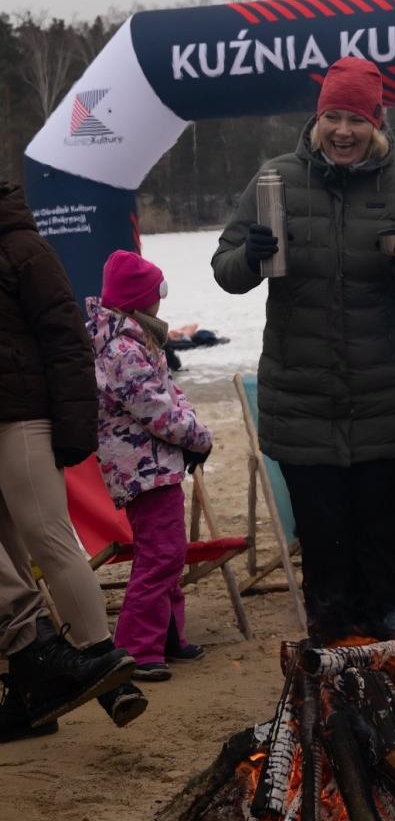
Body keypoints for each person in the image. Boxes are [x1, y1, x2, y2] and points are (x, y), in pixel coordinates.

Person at [212, 56, 395, 646]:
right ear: (318, 120)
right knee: (324, 551)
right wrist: (251, 255)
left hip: (382, 399)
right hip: (303, 400)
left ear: (376, 124)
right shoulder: (275, 178)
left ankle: (392, 669)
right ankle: (331, 681)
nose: (344, 131)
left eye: (357, 120)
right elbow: (226, 271)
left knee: (379, 551)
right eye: (333, 117)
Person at [0, 181, 142, 741]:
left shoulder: (25, 250)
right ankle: (34, 693)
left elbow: (66, 340)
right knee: (10, 555)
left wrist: (75, 428)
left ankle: (107, 673)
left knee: (49, 540)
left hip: (22, 419)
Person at [86, 250, 213, 681]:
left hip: (154, 463)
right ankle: (138, 648)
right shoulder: (122, 349)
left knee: (168, 551)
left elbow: (170, 395)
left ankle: (167, 634)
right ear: (141, 300)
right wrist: (198, 436)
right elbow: (155, 408)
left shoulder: (138, 339)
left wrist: (193, 428)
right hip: (141, 466)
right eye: (158, 292)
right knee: (161, 554)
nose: (162, 300)